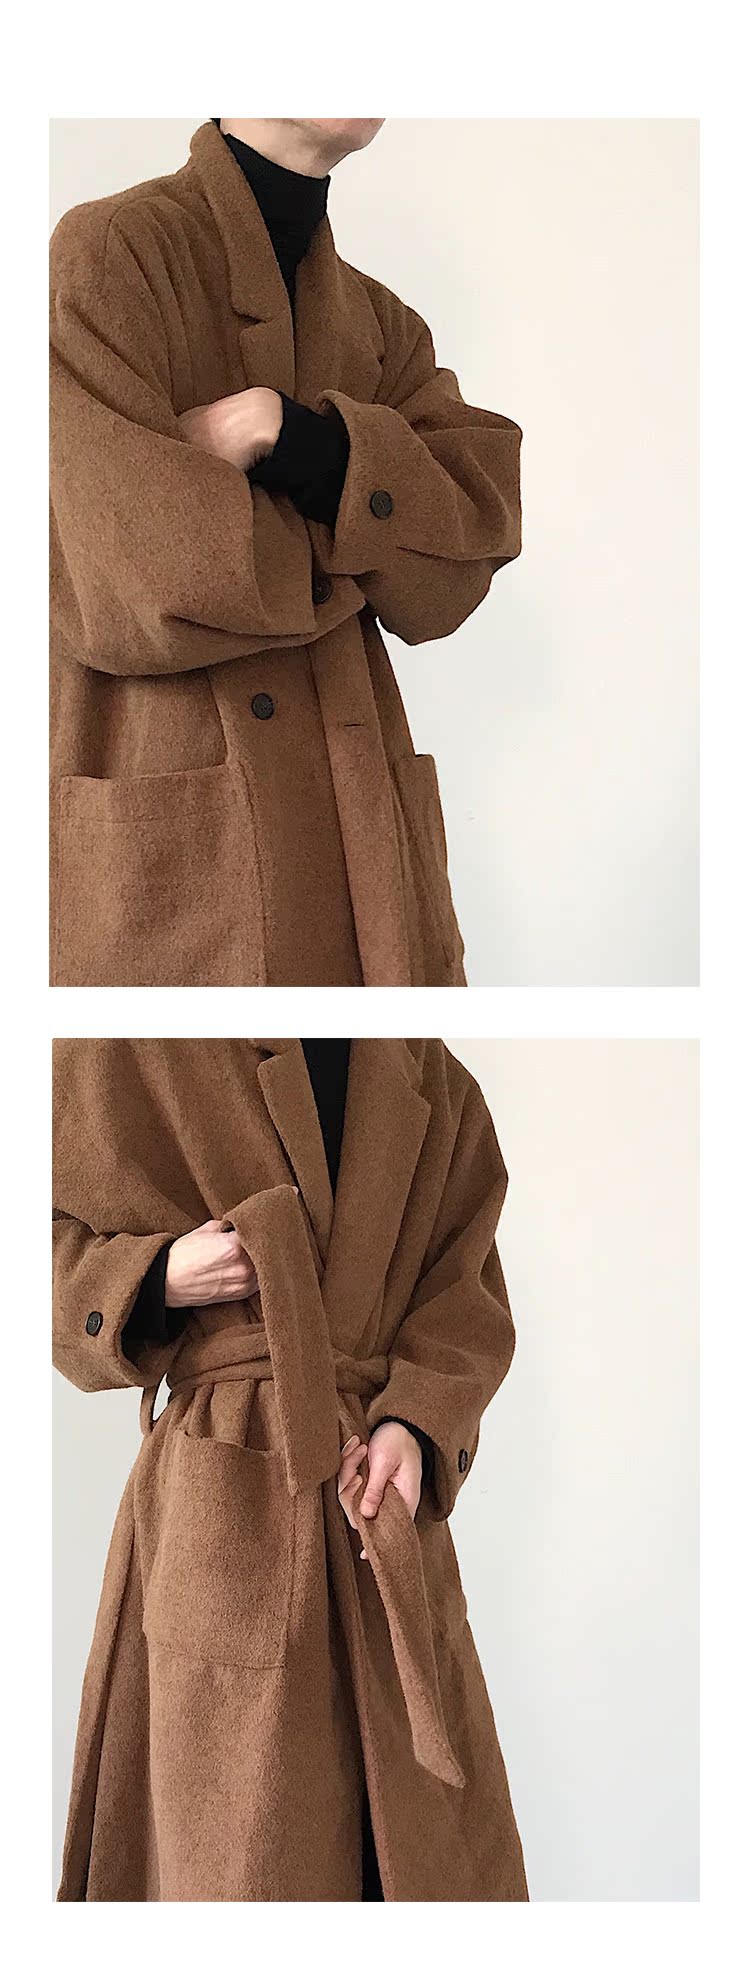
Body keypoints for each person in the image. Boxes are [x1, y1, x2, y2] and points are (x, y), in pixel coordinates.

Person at [53, 1037, 528, 1901]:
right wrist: (156, 1277)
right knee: (238, 1857)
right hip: (225, 1499)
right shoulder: (127, 1041)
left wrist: (416, 1426)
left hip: (373, 1493)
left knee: (414, 1864)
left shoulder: (430, 1073)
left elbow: (465, 1289)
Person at [50, 119, 522, 987]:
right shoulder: (110, 258)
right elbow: (135, 577)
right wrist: (365, 533)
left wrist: (297, 440)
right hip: (179, 896)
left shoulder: (385, 327)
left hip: (367, 881)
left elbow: (464, 558)